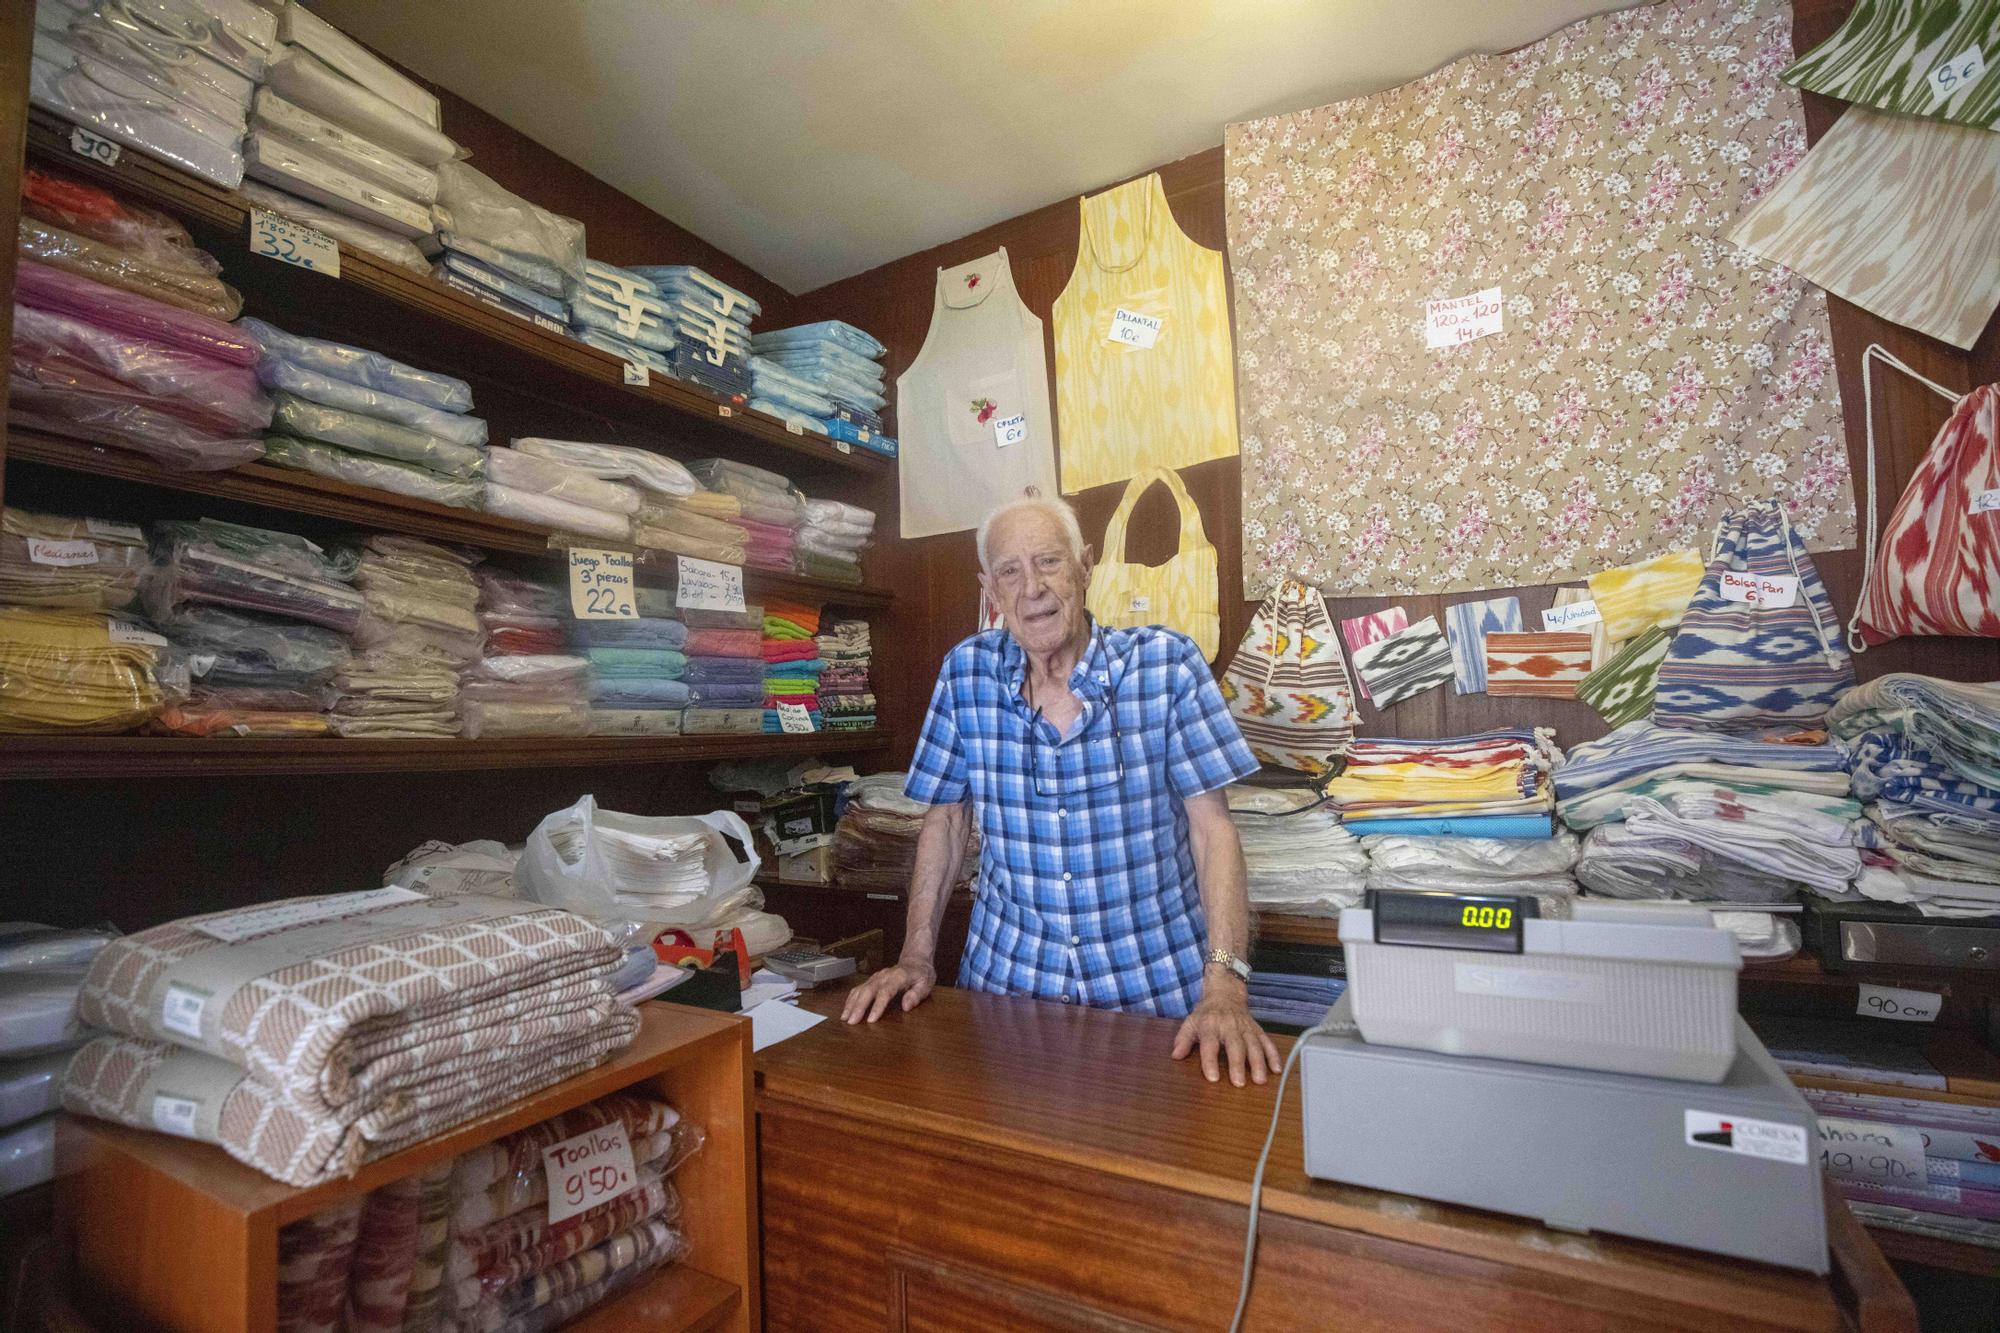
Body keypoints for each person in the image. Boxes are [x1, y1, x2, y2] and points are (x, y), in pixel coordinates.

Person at [841, 494, 1280, 1086]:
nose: (1032, 589)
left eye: (1048, 561)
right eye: (1010, 572)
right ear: (990, 590)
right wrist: (915, 957)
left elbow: (1213, 832)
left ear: (1085, 565)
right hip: (1007, 997)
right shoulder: (965, 674)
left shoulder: (1166, 667)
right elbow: (945, 823)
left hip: (1158, 999)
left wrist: (1225, 985)